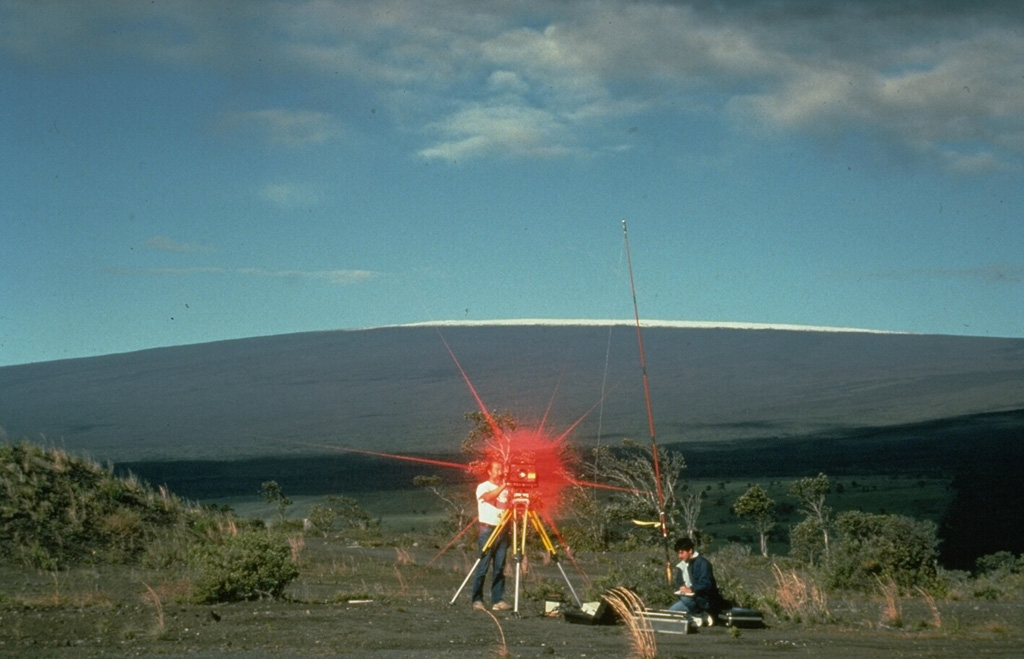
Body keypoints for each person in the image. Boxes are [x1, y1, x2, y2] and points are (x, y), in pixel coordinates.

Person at [470, 460, 512, 611]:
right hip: (487, 530)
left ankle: (497, 600)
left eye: (501, 469)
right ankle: (477, 600)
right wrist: (504, 485)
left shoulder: (506, 489)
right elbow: (488, 497)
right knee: (483, 566)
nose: (499, 472)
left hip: (502, 529)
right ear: (489, 471)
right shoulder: (483, 486)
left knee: (499, 567)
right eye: (496, 469)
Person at [669, 537, 722, 626]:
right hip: (690, 599)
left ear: (690, 550)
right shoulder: (682, 565)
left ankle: (698, 614)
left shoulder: (703, 563)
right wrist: (681, 588)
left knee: (685, 598)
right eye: (678, 553)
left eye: (682, 553)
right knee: (672, 612)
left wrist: (692, 590)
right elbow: (679, 582)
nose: (679, 556)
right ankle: (700, 617)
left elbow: (706, 584)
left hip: (704, 599)